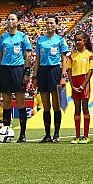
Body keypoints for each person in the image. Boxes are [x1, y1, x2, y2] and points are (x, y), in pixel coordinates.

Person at [32, 15, 69, 143]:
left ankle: (56, 134)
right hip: (42, 71)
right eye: (47, 23)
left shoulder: (60, 40)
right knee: (45, 105)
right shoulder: (40, 40)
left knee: (56, 105)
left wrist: (63, 76)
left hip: (55, 71)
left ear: (56, 25)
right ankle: (47, 134)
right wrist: (35, 75)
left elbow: (64, 58)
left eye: (51, 23)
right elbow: (37, 59)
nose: (49, 25)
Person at [0, 12, 33, 143]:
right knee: (6, 102)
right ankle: (6, 131)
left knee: (20, 103)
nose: (10, 21)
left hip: (18, 69)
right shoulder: (3, 38)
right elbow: (0, 56)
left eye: (13, 19)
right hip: (5, 70)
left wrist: (27, 72)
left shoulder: (23, 37)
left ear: (17, 22)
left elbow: (27, 55)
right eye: (9, 19)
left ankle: (22, 134)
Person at [69, 31, 93, 144]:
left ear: (85, 41)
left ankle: (86, 135)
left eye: (80, 40)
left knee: (85, 108)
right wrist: (72, 86)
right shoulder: (72, 56)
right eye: (76, 40)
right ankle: (77, 135)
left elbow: (90, 71)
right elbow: (69, 71)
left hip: (84, 82)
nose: (78, 42)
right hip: (75, 82)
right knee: (77, 109)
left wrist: (83, 85)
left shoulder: (89, 55)